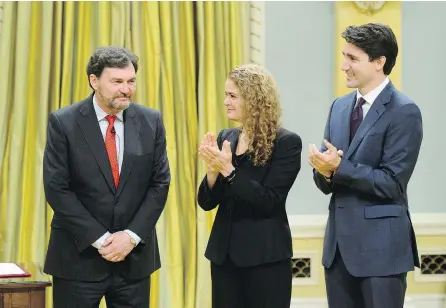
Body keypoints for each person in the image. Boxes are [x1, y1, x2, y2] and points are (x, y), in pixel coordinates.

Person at [43, 46, 170, 307]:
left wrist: (131, 237)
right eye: (117, 82)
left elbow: (160, 184)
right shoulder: (63, 122)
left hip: (133, 262)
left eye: (131, 81)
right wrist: (103, 240)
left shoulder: (151, 121)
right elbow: (57, 189)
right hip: (78, 260)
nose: (126, 89)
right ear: (94, 81)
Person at [308, 23, 423, 308]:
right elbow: (327, 180)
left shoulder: (404, 111)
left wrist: (338, 168)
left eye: (352, 58)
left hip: (382, 252)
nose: (343, 65)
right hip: (338, 252)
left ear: (379, 62)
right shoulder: (339, 106)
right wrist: (323, 171)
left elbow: (392, 183)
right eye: (344, 56)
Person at [197, 64, 302, 308]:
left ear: (254, 99)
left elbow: (268, 200)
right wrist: (213, 172)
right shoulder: (227, 137)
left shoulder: (286, 143)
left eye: (232, 96)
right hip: (224, 257)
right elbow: (206, 203)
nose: (226, 101)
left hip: (265, 258)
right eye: (226, 95)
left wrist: (229, 171)